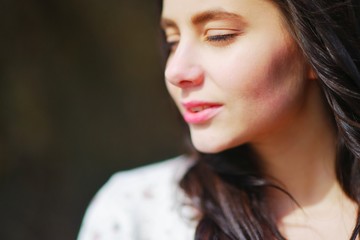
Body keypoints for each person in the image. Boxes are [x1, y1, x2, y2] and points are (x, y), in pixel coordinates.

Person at [78, 0, 360, 239]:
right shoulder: (133, 214)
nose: (174, 71)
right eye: (172, 42)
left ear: (318, 46)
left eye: (218, 35)